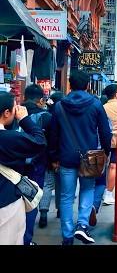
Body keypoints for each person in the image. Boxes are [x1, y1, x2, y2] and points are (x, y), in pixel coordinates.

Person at [49, 70, 112, 245]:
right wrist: (106, 151)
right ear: (87, 85)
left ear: (70, 85)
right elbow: (105, 132)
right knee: (87, 190)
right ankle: (82, 226)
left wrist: (54, 156)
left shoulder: (59, 106)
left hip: (66, 157)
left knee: (67, 197)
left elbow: (53, 134)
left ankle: (67, 236)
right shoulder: (95, 104)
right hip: (90, 159)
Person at [0, 92, 46, 245]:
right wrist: (25, 120)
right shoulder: (9, 138)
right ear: (6, 113)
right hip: (6, 200)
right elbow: (39, 141)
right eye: (14, 108)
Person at [22, 84, 54, 245]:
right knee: (32, 198)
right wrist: (53, 159)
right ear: (40, 99)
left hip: (15, 163)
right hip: (38, 163)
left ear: (24, 95)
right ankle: (26, 238)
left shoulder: (14, 112)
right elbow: (52, 141)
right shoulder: (46, 116)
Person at [38, 91, 64, 226]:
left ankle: (43, 212)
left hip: (47, 156)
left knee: (47, 185)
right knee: (61, 184)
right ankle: (60, 210)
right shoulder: (63, 116)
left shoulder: (46, 116)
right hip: (61, 156)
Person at [102, 85, 117, 206]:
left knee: (106, 166)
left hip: (105, 140)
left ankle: (102, 190)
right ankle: (108, 193)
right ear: (116, 93)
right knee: (113, 166)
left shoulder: (103, 107)